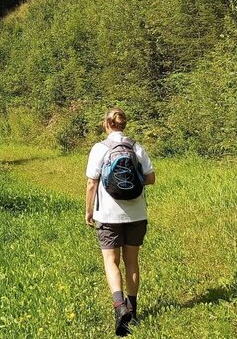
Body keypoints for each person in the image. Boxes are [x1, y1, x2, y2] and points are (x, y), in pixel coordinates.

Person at [85, 108, 155, 336]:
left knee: (111, 260)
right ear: (124, 124)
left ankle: (119, 306)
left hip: (107, 215)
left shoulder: (100, 149)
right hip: (136, 214)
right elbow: (151, 178)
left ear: (106, 124)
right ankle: (132, 310)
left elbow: (91, 183)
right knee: (132, 261)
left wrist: (88, 211)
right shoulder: (137, 147)